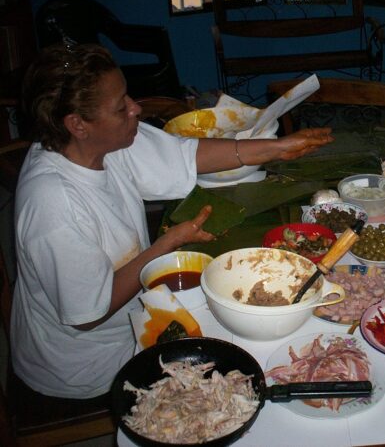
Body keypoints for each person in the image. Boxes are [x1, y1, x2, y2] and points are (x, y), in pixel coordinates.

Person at [11, 43, 334, 398]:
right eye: (121, 106)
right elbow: (90, 312)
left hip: (136, 313)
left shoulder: (100, 142)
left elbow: (185, 156)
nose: (135, 108)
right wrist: (166, 245)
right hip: (88, 362)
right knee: (247, 367)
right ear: (77, 124)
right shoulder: (53, 204)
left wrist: (277, 148)